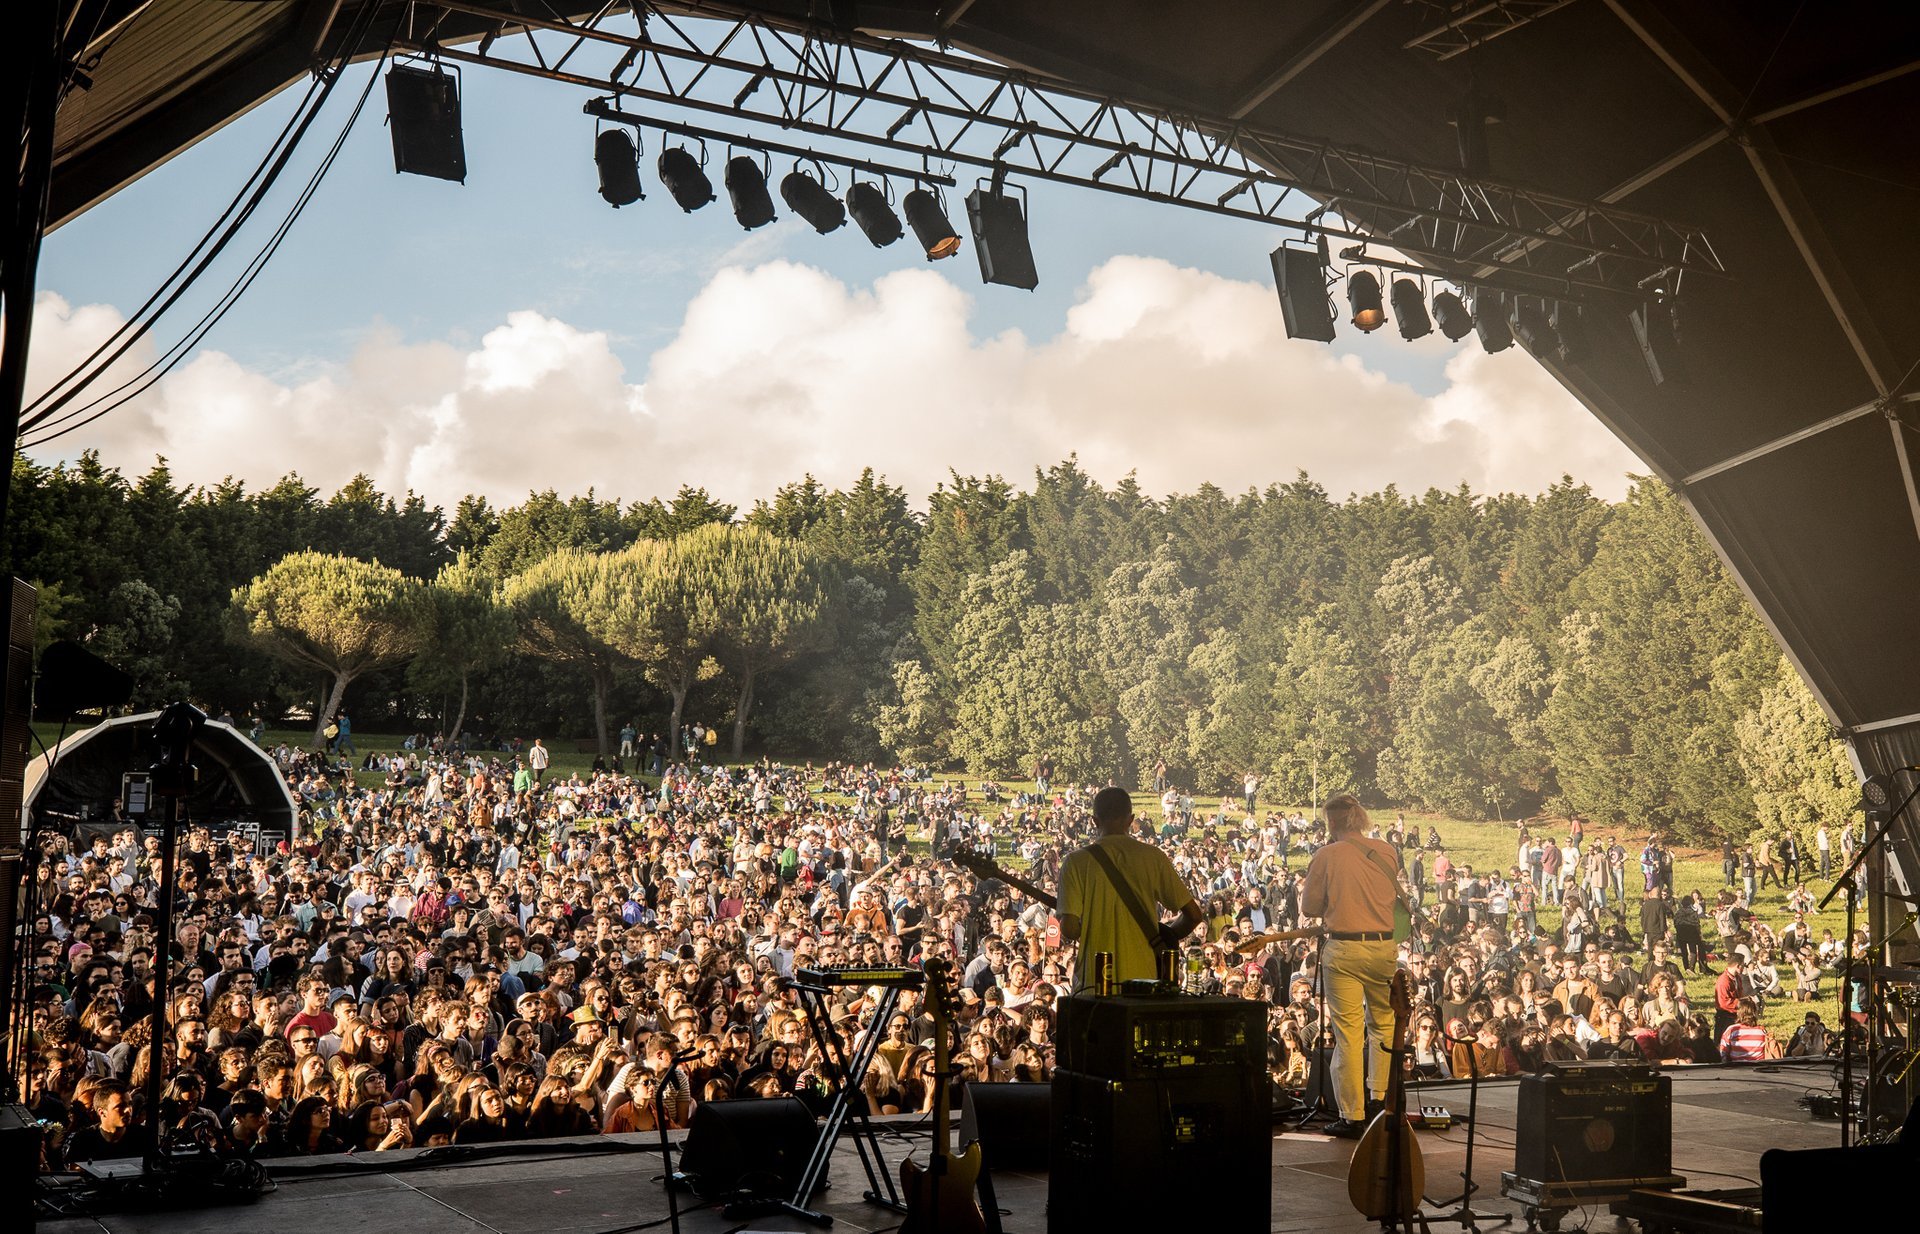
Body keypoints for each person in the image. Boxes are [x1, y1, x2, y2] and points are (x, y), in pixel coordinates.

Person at [1302, 793, 1402, 1140]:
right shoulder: (1387, 851)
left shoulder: (1327, 855)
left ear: (1332, 821)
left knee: (1348, 1033)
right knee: (1384, 1026)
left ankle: (1352, 1114)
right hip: (1384, 945)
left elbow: (1311, 906)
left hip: (1345, 948)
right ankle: (1379, 1100)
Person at [1057, 787, 1202, 992]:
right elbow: (1194, 915)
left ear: (1094, 820)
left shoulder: (1076, 862)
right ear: (1130, 819)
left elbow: (1070, 929)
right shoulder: (1153, 857)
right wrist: (1162, 937)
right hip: (1143, 984)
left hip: (1096, 983)